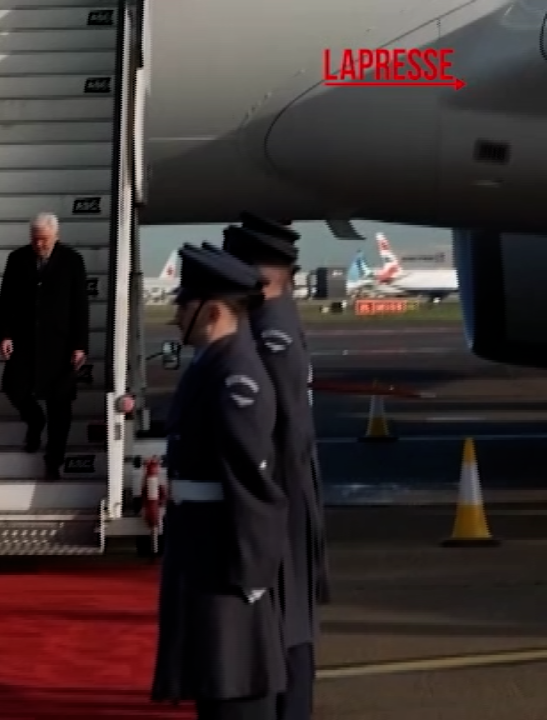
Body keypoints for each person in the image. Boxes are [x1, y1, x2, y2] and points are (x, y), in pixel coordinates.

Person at [150, 243, 287, 720]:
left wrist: (251, 574)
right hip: (202, 548)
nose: (174, 315)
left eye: (182, 305)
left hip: (226, 560)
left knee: (234, 689)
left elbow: (252, 483)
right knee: (215, 685)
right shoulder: (213, 364)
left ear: (209, 312)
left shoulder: (236, 376)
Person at [224, 213, 329, 720]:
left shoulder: (271, 333)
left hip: (279, 495)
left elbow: (286, 432)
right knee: (289, 624)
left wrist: (267, 508)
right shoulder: (273, 322)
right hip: (286, 494)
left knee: (286, 625)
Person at [0, 212, 90, 480]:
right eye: (35, 240)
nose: (39, 245)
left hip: (60, 346)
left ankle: (53, 461)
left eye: (44, 240)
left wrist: (80, 344)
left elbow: (80, 306)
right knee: (13, 386)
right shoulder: (17, 259)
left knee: (60, 406)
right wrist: (5, 335)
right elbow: (5, 302)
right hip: (25, 341)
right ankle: (35, 421)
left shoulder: (72, 261)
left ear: (56, 236)